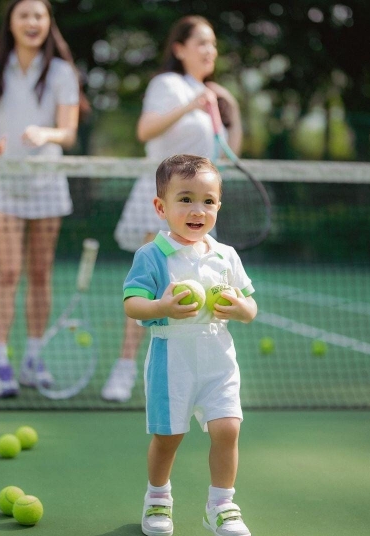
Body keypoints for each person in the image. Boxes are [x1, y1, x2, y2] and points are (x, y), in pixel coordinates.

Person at [102, 15, 243, 402]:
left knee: (195, 290)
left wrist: (228, 107)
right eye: (200, 42)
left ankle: (190, 374)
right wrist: (190, 104)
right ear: (179, 49)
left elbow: (228, 155)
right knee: (152, 283)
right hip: (165, 201)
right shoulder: (168, 85)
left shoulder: (212, 96)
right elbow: (146, 130)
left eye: (213, 44)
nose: (209, 50)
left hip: (197, 208)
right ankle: (124, 367)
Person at [123, 154, 256, 536]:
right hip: (171, 360)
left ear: (218, 206)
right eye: (185, 199)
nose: (198, 210)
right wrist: (162, 307)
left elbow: (251, 307)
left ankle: (222, 505)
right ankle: (158, 498)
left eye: (208, 201)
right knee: (167, 438)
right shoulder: (150, 255)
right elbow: (132, 304)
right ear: (160, 206)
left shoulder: (226, 256)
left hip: (218, 359)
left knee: (228, 429)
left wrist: (240, 310)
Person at [0, 0, 80, 398]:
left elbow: (68, 131)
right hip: (1, 184)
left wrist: (46, 134)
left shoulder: (62, 72)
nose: (32, 22)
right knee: (9, 271)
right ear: (11, 23)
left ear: (49, 23)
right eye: (24, 15)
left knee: (41, 273)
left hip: (47, 182)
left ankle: (33, 357)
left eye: (40, 15)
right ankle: (1, 362)